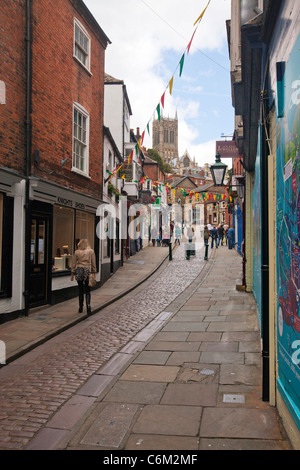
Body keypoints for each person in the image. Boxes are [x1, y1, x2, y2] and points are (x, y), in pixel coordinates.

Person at [71, 239, 96, 315]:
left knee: (80, 289)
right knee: (88, 290)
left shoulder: (77, 252)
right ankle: (88, 305)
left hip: (79, 270)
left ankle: (80, 307)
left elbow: (73, 263)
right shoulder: (91, 251)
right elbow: (93, 263)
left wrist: (72, 273)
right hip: (87, 270)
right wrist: (94, 272)